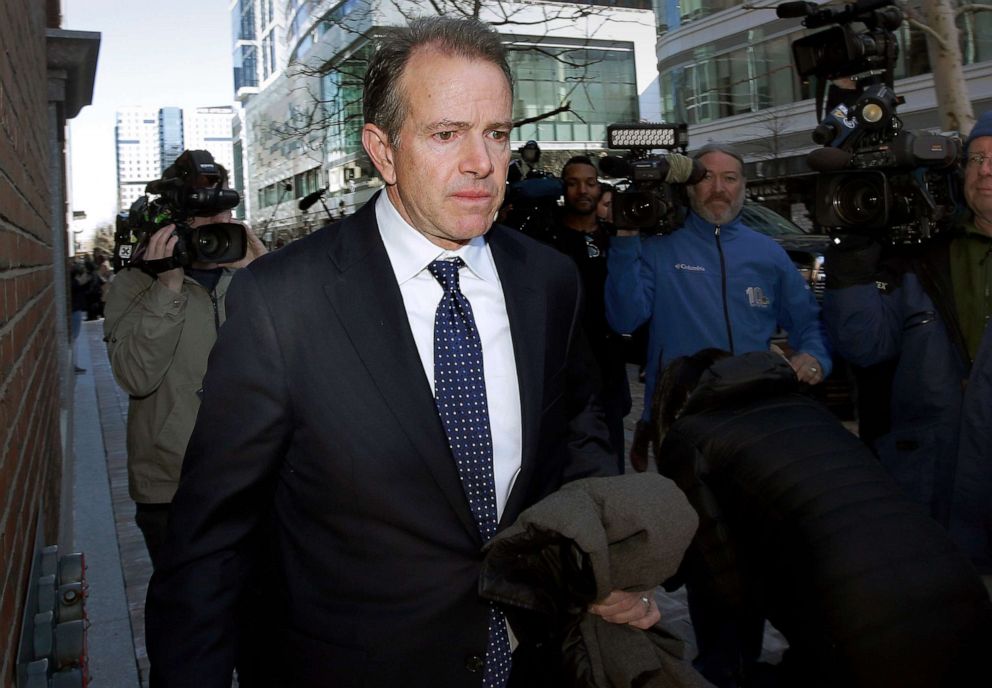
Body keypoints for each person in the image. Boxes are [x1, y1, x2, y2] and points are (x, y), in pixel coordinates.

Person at [145, 17, 657, 688]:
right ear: (381, 151)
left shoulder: (547, 280)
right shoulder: (282, 300)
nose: (482, 161)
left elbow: (580, 428)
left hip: (533, 658)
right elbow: (210, 541)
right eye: (446, 134)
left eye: (496, 133)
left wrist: (588, 561)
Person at [652, 349, 992, 688]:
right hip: (963, 596)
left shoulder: (691, 436)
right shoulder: (808, 409)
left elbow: (723, 585)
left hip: (864, 625)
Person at [822, 111, 992, 585]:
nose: (986, 170)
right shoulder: (922, 256)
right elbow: (864, 346)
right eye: (977, 158)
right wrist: (851, 261)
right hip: (927, 496)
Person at [605, 142, 831, 471]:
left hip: (755, 414)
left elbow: (810, 322)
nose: (718, 189)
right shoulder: (658, 249)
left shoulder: (768, 253)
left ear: (743, 186)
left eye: (730, 178)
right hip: (678, 416)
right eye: (707, 177)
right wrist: (624, 239)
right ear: (688, 187)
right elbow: (623, 320)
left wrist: (815, 356)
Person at [102, 154, 266, 569]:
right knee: (188, 617)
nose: (217, 224)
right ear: (173, 223)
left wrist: (266, 277)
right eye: (202, 215)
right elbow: (136, 377)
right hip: (171, 489)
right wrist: (168, 288)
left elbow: (303, 359)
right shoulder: (133, 286)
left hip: (256, 477)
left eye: (224, 211)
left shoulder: (248, 274)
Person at [522, 157, 630, 470]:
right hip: (560, 375)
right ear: (562, 188)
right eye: (573, 183)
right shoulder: (544, 242)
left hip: (608, 375)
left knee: (611, 469)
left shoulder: (615, 241)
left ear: (600, 187)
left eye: (590, 182)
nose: (583, 190)